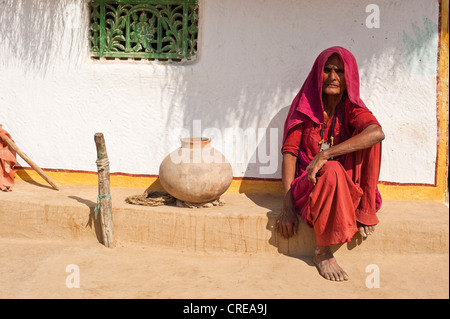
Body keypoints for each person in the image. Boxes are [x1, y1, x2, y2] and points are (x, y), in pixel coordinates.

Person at [276, 47, 385, 281]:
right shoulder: (305, 106)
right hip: (310, 188)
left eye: (339, 71)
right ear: (318, 73)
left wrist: (326, 155)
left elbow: (376, 132)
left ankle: (364, 209)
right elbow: (290, 153)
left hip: (344, 185)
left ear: (349, 78)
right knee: (332, 169)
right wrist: (287, 207)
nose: (333, 76)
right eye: (327, 70)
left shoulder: (351, 107)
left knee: (372, 139)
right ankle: (322, 252)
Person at [0, 125, 17, 191]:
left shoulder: (2, 132)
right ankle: (2, 184)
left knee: (6, 169)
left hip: (4, 153)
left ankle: (7, 183)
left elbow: (8, 141)